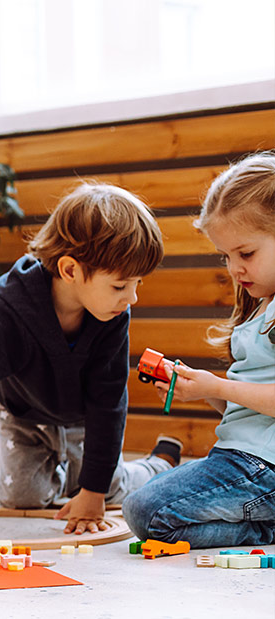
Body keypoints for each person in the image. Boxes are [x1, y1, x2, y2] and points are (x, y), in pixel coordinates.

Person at [0, 183, 180, 536]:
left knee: (110, 487)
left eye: (137, 284)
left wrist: (93, 493)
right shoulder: (12, 310)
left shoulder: (113, 315)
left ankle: (156, 465)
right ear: (70, 270)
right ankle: (66, 478)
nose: (131, 298)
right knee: (22, 499)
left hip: (80, 418)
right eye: (120, 286)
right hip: (22, 415)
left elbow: (109, 403)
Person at [123, 152, 275, 548]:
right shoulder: (258, 305)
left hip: (263, 466)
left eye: (246, 253)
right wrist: (204, 390)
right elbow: (249, 410)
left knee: (146, 511)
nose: (234, 269)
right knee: (145, 508)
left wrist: (220, 386)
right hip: (243, 457)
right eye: (225, 256)